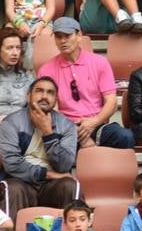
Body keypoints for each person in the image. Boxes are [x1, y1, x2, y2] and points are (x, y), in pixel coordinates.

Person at [37, 16, 134, 148]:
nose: (63, 40)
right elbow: (51, 111)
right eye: (58, 36)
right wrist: (72, 131)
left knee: (125, 137)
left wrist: (94, 122)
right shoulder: (46, 70)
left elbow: (111, 102)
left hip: (96, 123)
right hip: (66, 128)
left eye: (67, 35)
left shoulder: (99, 62)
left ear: (79, 36)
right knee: (58, 144)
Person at [0, 77, 79, 216]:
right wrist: (49, 174)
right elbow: (12, 164)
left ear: (56, 100)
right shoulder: (11, 123)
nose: (45, 96)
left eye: (50, 93)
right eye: (39, 91)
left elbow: (65, 165)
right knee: (13, 188)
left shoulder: (67, 126)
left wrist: (48, 133)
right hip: (22, 181)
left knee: (70, 185)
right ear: (29, 96)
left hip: (52, 186)